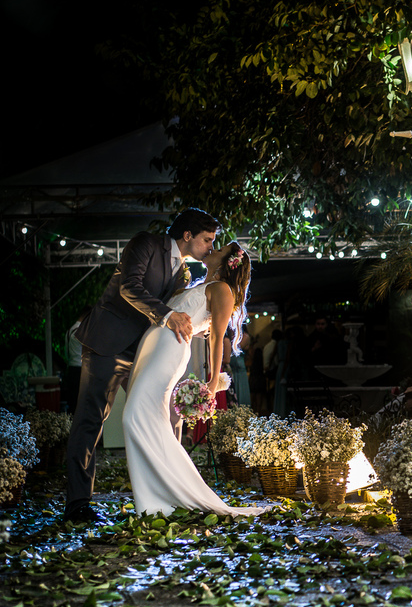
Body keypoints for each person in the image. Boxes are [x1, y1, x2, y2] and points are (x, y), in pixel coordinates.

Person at [64, 207, 220, 524]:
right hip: (107, 343)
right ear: (187, 235)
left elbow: (182, 305)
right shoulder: (146, 243)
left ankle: (164, 493)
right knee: (90, 421)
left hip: (142, 351)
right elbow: (129, 287)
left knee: (157, 418)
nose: (211, 248)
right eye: (207, 240)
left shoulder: (184, 273)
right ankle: (78, 504)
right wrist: (167, 315)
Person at [122, 241, 266, 516]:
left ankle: (167, 492)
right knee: (146, 418)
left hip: (169, 351)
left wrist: (213, 381)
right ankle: (160, 495)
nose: (212, 249)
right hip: (152, 347)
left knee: (134, 416)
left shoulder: (223, 290)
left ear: (228, 262)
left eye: (220, 249)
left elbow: (217, 337)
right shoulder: (198, 284)